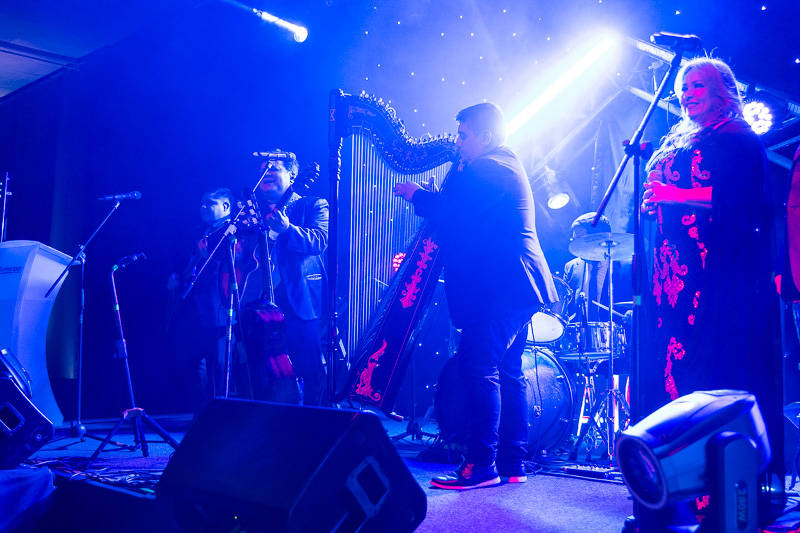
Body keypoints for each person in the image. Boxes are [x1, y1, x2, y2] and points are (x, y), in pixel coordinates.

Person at [393, 103, 558, 489]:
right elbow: (467, 215)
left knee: (477, 367)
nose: (457, 143)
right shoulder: (501, 164)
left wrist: (418, 194)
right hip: (514, 285)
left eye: (463, 135)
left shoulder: (490, 167)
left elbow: (451, 213)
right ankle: (511, 463)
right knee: (508, 372)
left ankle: (482, 465)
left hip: (503, 287)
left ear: (485, 136)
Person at [639, 57, 782, 490]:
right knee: (673, 369)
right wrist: (656, 202)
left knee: (709, 370)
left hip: (713, 276)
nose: (687, 93)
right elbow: (671, 194)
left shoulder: (738, 136)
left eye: (698, 85)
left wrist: (672, 195)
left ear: (723, 89)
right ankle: (673, 476)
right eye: (684, 87)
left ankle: (717, 482)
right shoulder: (684, 137)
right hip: (672, 277)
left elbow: (735, 201)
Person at [169, 188, 256, 412]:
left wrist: (208, 255)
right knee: (188, 363)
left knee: (219, 368)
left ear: (226, 206)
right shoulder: (200, 231)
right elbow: (188, 265)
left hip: (218, 308)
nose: (203, 207)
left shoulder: (234, 229)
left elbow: (236, 262)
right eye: (202, 203)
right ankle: (200, 413)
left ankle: (217, 416)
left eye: (210, 203)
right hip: (190, 310)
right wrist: (177, 277)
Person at [254, 152, 329, 406]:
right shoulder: (253, 211)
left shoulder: (312, 204)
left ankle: (314, 424)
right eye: (263, 169)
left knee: (308, 369)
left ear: (292, 175)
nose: (266, 172)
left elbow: (319, 240)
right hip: (260, 302)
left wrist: (287, 229)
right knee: (265, 371)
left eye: (273, 168)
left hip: (299, 299)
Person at [563, 212, 632, 325]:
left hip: (617, 337)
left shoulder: (628, 266)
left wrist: (635, 310)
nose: (576, 245)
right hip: (581, 338)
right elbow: (565, 307)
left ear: (599, 238)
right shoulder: (571, 267)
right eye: (574, 240)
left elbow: (639, 298)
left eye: (580, 239)